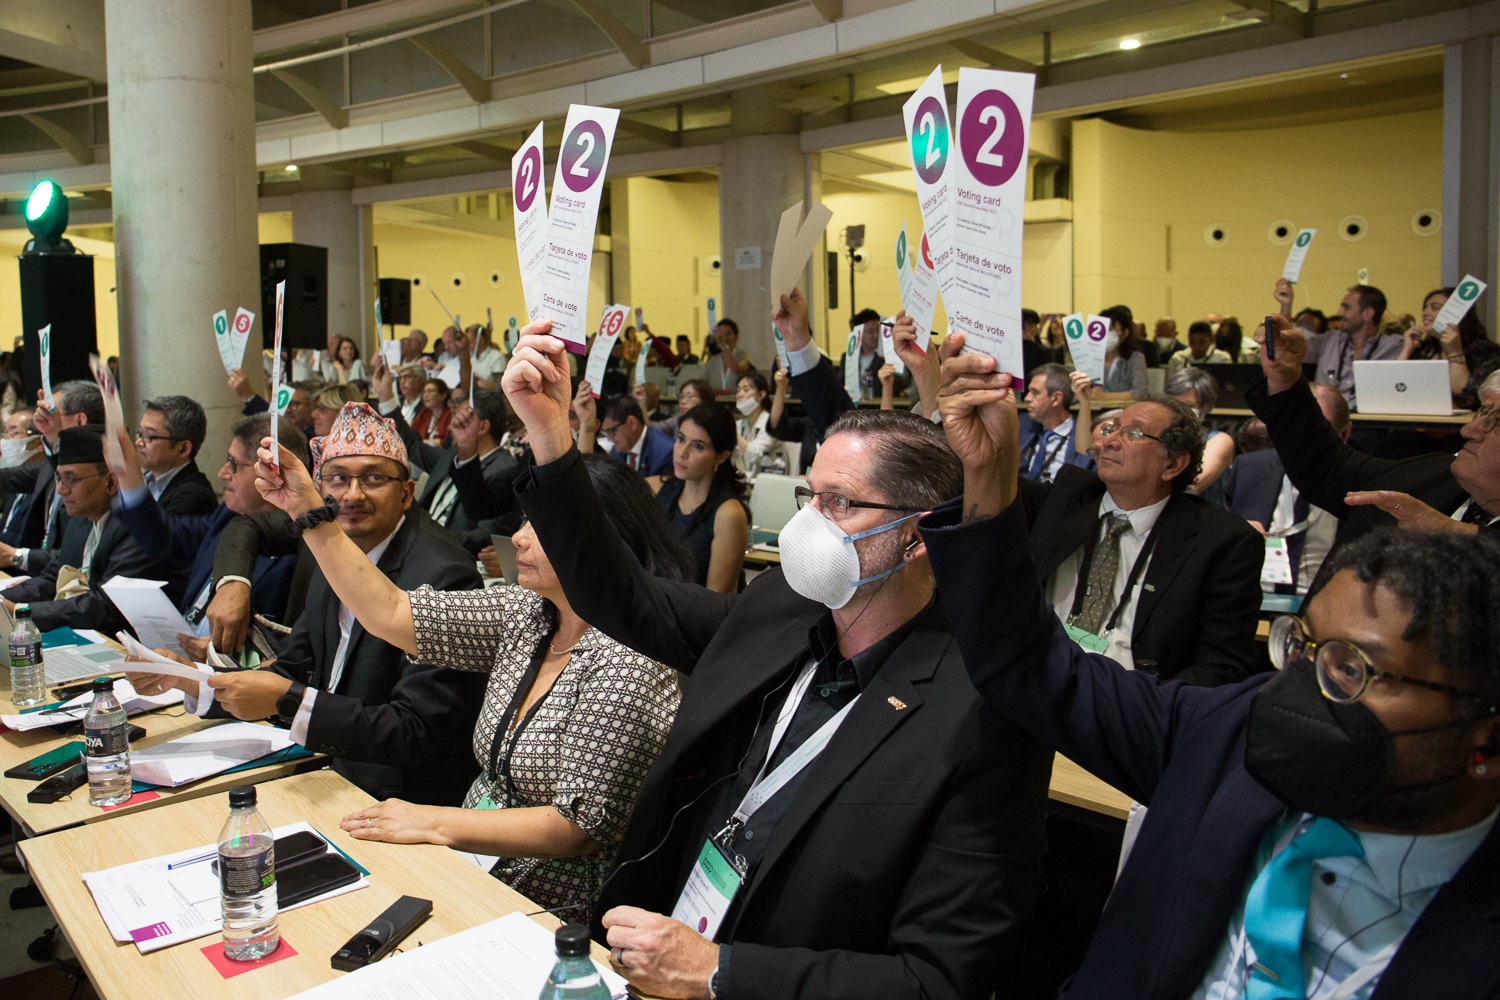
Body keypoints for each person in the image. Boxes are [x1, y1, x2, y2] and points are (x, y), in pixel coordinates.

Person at [923, 336, 1500, 1000]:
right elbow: (1027, 660)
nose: (1303, 691)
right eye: (1304, 648)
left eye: (1353, 671)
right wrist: (987, 478)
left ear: (1485, 733)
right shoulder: (1231, 738)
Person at [500, 320, 1052, 1000]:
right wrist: (550, 436)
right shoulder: (780, 612)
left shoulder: (981, 712)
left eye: (839, 504)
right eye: (810, 497)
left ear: (919, 537)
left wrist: (718, 973)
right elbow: (625, 596)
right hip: (658, 955)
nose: (808, 525)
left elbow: (940, 980)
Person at [217, 444, 688, 920]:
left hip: (551, 904)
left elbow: (575, 827)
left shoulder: (630, 656)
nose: (517, 539)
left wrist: (434, 820)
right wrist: (306, 511)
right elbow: (392, 611)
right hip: (468, 864)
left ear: (600, 540)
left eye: (538, 528)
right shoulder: (529, 613)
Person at [133, 402, 487, 805]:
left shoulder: (445, 575)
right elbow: (290, 669)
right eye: (337, 478)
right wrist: (194, 680)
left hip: (397, 797)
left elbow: (418, 732)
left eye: (373, 478)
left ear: (406, 493)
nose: (352, 495)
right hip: (321, 772)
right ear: (319, 488)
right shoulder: (332, 545)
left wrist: (292, 700)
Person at [1023, 374, 1264, 683]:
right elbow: (986, 483)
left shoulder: (1223, 541)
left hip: (1137, 704)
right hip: (1039, 681)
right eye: (1111, 429)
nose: (1107, 441)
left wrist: (1139, 707)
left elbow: (1221, 667)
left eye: (1133, 433)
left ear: (1173, 464)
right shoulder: (1067, 497)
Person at [1247, 320, 1500, 556]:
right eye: (1483, 411)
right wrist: (1285, 380)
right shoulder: (1432, 473)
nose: (1469, 430)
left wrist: (1460, 533)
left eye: (1496, 421)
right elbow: (1328, 467)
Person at [110, 413, 310, 660]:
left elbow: (295, 652)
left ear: (272, 474)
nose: (222, 473)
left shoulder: (302, 552)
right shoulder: (228, 515)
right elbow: (166, 538)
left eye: (234, 464)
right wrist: (129, 478)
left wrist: (227, 656)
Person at [1, 426, 176, 633]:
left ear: (110, 481)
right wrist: (5, 601)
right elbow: (51, 579)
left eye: (71, 479)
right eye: (59, 478)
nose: (61, 489)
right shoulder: (80, 518)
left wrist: (21, 612)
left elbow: (106, 606)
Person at [1222, 382, 1348, 596]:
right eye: (1294, 430)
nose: (1302, 444)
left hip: (1323, 601)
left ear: (1344, 434)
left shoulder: (1362, 484)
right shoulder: (1250, 468)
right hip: (1253, 597)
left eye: (1317, 433)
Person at [0, 381, 105, 574]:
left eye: (51, 412)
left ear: (80, 420)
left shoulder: (97, 473)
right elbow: (7, 478)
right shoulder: (51, 465)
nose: (61, 488)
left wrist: (15, 556)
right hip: (43, 579)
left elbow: (72, 560)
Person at [647, 403, 749, 593]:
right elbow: (597, 494)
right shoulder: (659, 487)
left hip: (695, 618)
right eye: (681, 439)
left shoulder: (728, 514)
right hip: (658, 609)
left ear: (721, 457)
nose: (682, 452)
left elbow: (714, 604)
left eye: (697, 446)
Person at [1398, 287, 1500, 411]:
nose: (1425, 312)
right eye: (1425, 307)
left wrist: (1454, 352)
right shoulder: (1425, 349)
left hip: (1457, 426)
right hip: (1416, 421)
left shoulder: (1485, 351)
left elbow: (1466, 398)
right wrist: (1407, 348)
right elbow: (1393, 387)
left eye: (1435, 308)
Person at [1302, 284, 1404, 409]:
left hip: (1370, 423)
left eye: (1346, 308)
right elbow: (1286, 349)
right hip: (1325, 421)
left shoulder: (1394, 346)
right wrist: (1286, 306)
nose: (1338, 313)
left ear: (1367, 314)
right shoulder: (1328, 341)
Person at [133, 396, 218, 516]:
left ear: (183, 449)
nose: (138, 442)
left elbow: (148, 533)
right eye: (140, 434)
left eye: (148, 436)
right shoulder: (145, 480)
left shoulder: (193, 496)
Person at [1166, 367, 1234, 501]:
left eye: (1189, 405)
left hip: (1204, 516)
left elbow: (1193, 485)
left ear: (1204, 408)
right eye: (1173, 403)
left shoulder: (1219, 440)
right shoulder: (1161, 438)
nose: (1179, 410)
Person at [1019, 362, 1095, 482]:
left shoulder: (1083, 437)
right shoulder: (1024, 424)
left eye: (1035, 392)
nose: (1027, 398)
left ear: (1056, 398)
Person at [578, 390, 673, 477]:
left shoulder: (666, 453)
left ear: (631, 422)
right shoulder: (617, 450)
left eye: (611, 431)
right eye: (605, 432)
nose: (609, 438)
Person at [1091, 305, 1148, 402]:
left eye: (1110, 329)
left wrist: (1104, 396)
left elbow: (1140, 393)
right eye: (1101, 329)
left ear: (1124, 333)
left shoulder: (1135, 358)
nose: (1104, 334)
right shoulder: (1089, 359)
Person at [0, 410, 40, 545]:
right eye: (4, 432)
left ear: (38, 440)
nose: (4, 440)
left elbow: (31, 541)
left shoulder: (44, 484)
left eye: (12, 432)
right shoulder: (14, 478)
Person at [732, 372, 776, 479]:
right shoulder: (740, 424)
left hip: (766, 481)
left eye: (746, 390)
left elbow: (755, 456)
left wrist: (732, 432)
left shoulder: (771, 423)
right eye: (738, 390)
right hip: (743, 480)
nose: (739, 394)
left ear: (761, 395)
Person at [1166, 320, 1232, 376]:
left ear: (1211, 339)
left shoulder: (1222, 359)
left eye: (1201, 342)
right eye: (1192, 342)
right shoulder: (1178, 358)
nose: (1196, 346)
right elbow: (1170, 386)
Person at [704, 318, 751, 392]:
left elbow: (735, 368)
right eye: (720, 335)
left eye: (728, 334)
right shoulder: (713, 360)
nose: (724, 338)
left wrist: (723, 347)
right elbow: (703, 383)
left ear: (736, 336)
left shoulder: (742, 355)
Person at [411, 378, 453, 447]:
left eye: (430, 391)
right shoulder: (424, 413)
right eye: (424, 392)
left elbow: (447, 441)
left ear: (443, 395)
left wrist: (422, 443)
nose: (425, 395)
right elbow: (411, 434)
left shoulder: (450, 414)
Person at [470, 323, 507, 387]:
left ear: (480, 340)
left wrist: (477, 382)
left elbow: (499, 385)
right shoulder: (471, 359)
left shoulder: (497, 357)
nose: (467, 345)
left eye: (470, 342)